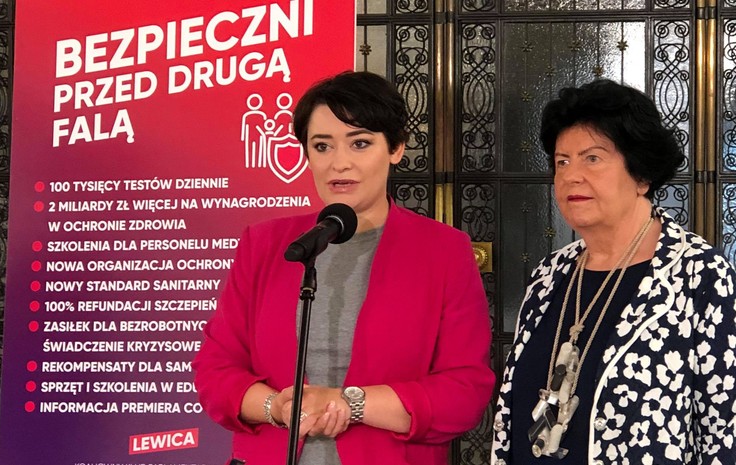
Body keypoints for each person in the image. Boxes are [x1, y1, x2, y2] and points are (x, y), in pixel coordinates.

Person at [194, 71, 495, 465]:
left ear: (396, 148)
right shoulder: (265, 244)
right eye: (322, 146)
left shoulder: (444, 251)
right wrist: (277, 407)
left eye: (360, 143)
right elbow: (216, 371)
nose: (339, 163)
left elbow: (464, 392)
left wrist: (349, 403)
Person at [491, 79, 736, 465]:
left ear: (641, 175)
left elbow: (723, 430)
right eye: (562, 161)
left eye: (592, 158)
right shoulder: (550, 275)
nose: (571, 175)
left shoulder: (699, 275)